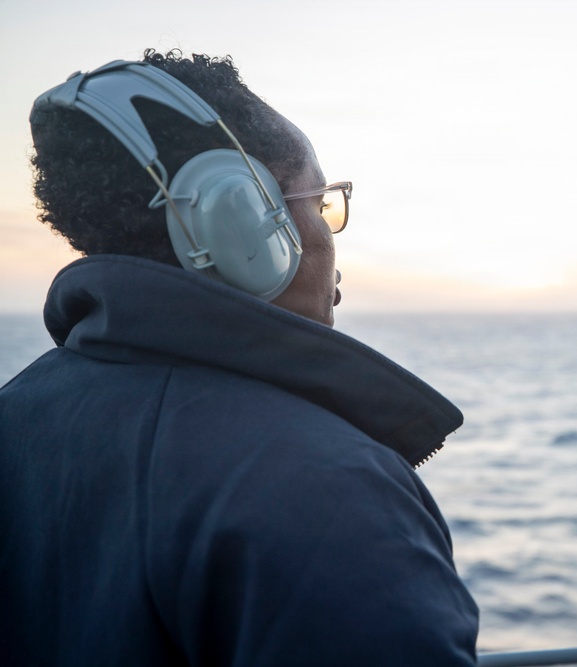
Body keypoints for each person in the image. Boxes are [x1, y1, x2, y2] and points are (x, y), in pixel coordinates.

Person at [0, 50, 478, 665]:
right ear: (245, 220)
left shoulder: (16, 417)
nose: (331, 234)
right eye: (321, 200)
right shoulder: (323, 486)